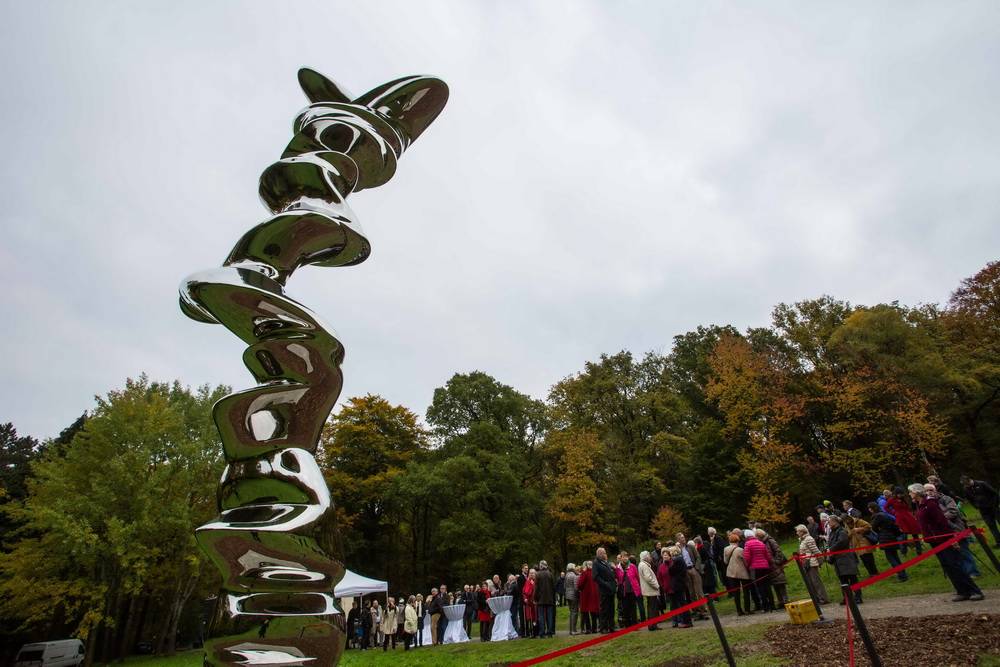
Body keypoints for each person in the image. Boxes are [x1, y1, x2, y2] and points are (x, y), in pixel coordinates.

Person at [909, 483, 984, 601]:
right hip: (933, 540)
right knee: (947, 566)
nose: (909, 494)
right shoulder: (920, 505)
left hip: (943, 538)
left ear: (917, 492)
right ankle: (962, 591)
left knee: (955, 565)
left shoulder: (930, 503)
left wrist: (951, 538)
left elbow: (942, 521)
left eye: (911, 492)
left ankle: (974, 590)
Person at [868, 501, 908, 582]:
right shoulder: (885, 514)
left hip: (885, 538)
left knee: (891, 558)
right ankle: (903, 573)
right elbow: (894, 525)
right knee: (896, 557)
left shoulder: (877, 516)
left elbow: (873, 527)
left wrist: (879, 530)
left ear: (871, 509)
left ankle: (901, 576)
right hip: (892, 536)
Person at [828, 514, 863, 605]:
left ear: (835, 522)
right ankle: (847, 598)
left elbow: (842, 542)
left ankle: (858, 597)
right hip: (838, 560)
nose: (828, 523)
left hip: (846, 558)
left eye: (830, 521)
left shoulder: (842, 531)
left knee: (852, 579)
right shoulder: (832, 532)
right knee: (843, 580)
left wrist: (830, 549)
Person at [795, 524, 829, 604]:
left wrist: (820, 561)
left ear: (802, 531)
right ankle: (816, 599)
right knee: (810, 582)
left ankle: (823, 598)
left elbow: (816, 550)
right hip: (806, 563)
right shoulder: (802, 540)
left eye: (797, 531)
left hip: (811, 562)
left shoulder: (808, 539)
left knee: (816, 582)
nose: (796, 533)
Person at [961, 474, 1000, 544]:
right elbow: (970, 500)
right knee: (991, 525)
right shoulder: (966, 489)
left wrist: (995, 505)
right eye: (965, 485)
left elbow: (995, 493)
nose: (966, 486)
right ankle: (999, 541)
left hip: (993, 507)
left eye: (967, 484)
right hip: (983, 510)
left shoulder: (982, 484)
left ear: (970, 480)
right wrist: (976, 506)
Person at [742, 529, 774, 611]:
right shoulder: (761, 543)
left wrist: (748, 566)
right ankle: (772, 605)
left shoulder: (747, 544)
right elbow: (767, 555)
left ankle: (765, 606)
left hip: (755, 568)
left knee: (760, 587)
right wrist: (769, 564)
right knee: (767, 586)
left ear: (746, 537)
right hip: (765, 567)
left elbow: (747, 558)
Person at [886, 486, 922, 555]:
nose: (901, 495)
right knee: (904, 536)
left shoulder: (903, 499)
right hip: (900, 518)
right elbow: (886, 507)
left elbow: (907, 507)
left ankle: (919, 550)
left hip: (908, 517)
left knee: (915, 534)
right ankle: (904, 551)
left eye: (902, 494)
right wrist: (893, 513)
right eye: (899, 494)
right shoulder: (892, 500)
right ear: (896, 493)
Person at [724, 529, 752, 615]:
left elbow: (725, 561)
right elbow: (745, 561)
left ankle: (739, 610)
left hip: (731, 573)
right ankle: (747, 609)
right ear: (737, 540)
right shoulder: (740, 550)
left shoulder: (725, 549)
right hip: (742, 572)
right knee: (746, 591)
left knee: (736, 593)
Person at [667, 546, 692, 628]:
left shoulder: (677, 560)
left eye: (670, 551)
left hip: (679, 584)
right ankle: (686, 621)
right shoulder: (679, 559)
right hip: (680, 583)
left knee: (682, 603)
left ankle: (686, 621)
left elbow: (671, 571)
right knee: (682, 602)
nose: (669, 553)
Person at [593, 547, 618, 634]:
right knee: (604, 609)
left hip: (611, 589)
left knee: (611, 609)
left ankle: (611, 626)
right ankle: (603, 627)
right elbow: (595, 577)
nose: (605, 554)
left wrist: (613, 584)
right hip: (604, 590)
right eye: (604, 553)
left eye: (605, 553)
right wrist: (605, 584)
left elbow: (611, 574)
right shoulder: (596, 563)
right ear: (599, 554)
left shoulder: (606, 563)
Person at [638, 550, 661, 631]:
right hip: (650, 590)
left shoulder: (642, 564)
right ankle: (652, 625)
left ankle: (652, 625)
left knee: (651, 607)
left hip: (648, 590)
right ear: (646, 557)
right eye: (649, 556)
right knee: (652, 608)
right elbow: (648, 578)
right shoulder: (644, 565)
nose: (650, 557)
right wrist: (656, 585)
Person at [534, 560, 556, 637]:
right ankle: (550, 632)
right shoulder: (550, 574)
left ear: (541, 566)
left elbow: (536, 588)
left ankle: (542, 632)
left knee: (541, 616)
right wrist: (553, 597)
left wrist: (535, 598)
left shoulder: (538, 574)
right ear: (546, 565)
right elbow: (553, 587)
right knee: (549, 616)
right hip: (549, 598)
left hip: (541, 598)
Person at [578, 560, 599, 634]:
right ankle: (594, 628)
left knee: (586, 612)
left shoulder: (585, 573)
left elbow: (580, 584)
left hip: (586, 595)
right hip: (594, 594)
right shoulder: (595, 573)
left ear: (586, 566)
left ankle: (588, 629)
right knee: (593, 612)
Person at [521, 568, 537, 638]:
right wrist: (525, 598)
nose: (531, 574)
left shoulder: (537, 581)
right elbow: (524, 591)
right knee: (530, 618)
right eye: (530, 573)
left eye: (533, 573)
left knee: (535, 617)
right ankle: (532, 633)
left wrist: (533, 585)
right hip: (529, 603)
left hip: (535, 602)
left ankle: (536, 632)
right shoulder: (527, 581)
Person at [565, 563, 579, 635]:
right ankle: (573, 630)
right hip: (573, 595)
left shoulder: (566, 575)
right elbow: (576, 587)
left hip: (567, 595)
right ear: (572, 568)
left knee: (571, 612)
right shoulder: (574, 576)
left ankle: (571, 630)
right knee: (575, 612)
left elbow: (565, 586)